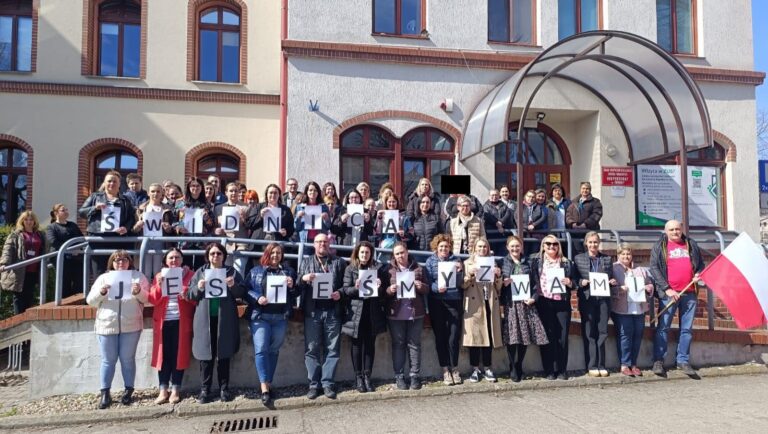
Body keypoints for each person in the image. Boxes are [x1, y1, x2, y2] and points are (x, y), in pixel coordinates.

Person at [85, 250, 149, 409]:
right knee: (108, 360)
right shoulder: (103, 278)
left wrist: (138, 292)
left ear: (130, 261)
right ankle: (105, 392)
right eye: (117, 260)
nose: (121, 263)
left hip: (131, 325)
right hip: (107, 325)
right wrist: (101, 293)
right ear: (111, 263)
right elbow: (90, 301)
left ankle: (128, 390)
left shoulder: (138, 277)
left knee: (128, 359)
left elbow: (147, 298)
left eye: (124, 260)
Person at [186, 242, 246, 403]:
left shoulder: (231, 272)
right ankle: (205, 389)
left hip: (225, 319)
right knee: (205, 356)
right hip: (204, 320)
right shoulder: (200, 272)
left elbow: (242, 292)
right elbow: (190, 295)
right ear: (208, 256)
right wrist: (198, 287)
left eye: (218, 253)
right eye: (212, 253)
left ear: (223, 256)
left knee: (223, 354)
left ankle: (223, 388)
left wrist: (233, 286)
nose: (215, 256)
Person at [243, 243, 299, 406]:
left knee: (273, 350)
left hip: (280, 317)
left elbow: (296, 293)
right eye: (273, 252)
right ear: (267, 253)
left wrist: (292, 285)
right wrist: (257, 297)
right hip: (261, 316)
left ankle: (268, 382)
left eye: (279, 253)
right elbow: (245, 290)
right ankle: (264, 388)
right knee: (261, 349)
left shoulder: (288, 272)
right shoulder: (255, 271)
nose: (275, 255)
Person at [649, 219, 704, 377]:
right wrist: (667, 289)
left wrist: (698, 273)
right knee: (663, 327)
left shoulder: (691, 244)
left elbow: (700, 264)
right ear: (666, 231)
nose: (675, 232)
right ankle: (659, 360)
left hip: (689, 292)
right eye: (671, 230)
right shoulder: (660, 246)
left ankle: (683, 360)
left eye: (677, 229)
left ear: (682, 229)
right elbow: (654, 268)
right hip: (669, 294)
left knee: (686, 329)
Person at [298, 233, 346, 399]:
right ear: (314, 245)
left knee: (332, 349)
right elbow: (296, 286)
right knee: (311, 349)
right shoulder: (306, 262)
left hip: (333, 311)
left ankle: (327, 383)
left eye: (325, 242)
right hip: (313, 311)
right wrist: (303, 278)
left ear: (329, 243)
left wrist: (339, 293)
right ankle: (314, 384)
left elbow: (346, 285)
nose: (322, 244)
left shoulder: (339, 262)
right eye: (319, 242)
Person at [147, 248, 196, 404]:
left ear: (182, 260)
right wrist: (160, 285)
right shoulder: (159, 276)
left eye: (177, 257)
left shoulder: (191, 275)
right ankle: (163, 389)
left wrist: (186, 293)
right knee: (164, 357)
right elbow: (153, 300)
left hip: (181, 322)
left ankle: (175, 389)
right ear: (165, 261)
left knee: (178, 356)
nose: (174, 260)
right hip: (163, 322)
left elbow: (196, 299)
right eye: (171, 258)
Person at [500, 235, 548, 382]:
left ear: (521, 247)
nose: (515, 249)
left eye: (517, 246)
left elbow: (535, 282)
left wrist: (534, 297)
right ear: (507, 248)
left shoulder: (529, 262)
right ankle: (512, 366)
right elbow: (497, 282)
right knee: (512, 337)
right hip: (511, 304)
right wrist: (503, 282)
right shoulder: (502, 262)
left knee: (524, 337)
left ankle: (519, 364)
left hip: (526, 304)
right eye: (512, 246)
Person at [382, 242, 429, 390]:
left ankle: (415, 375)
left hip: (416, 313)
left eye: (402, 252)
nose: (400, 256)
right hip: (395, 314)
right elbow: (382, 293)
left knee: (415, 344)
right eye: (397, 254)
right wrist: (389, 290)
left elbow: (427, 289)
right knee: (398, 345)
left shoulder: (419, 268)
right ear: (393, 256)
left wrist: (422, 287)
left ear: (407, 252)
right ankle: (399, 376)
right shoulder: (388, 270)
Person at [341, 241, 386, 393]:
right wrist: (356, 287)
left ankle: (367, 376)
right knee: (356, 345)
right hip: (355, 313)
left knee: (370, 345)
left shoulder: (378, 269)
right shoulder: (350, 269)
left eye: (367, 252)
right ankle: (358, 377)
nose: (364, 255)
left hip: (372, 312)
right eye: (362, 252)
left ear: (371, 254)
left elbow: (384, 295)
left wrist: (380, 287)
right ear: (357, 253)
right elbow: (346, 291)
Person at [531, 235, 575, 380]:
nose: (551, 247)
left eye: (555, 244)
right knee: (548, 336)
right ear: (543, 246)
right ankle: (549, 369)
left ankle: (562, 369)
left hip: (562, 302)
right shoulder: (536, 261)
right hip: (544, 302)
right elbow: (531, 280)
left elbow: (574, 283)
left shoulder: (566, 262)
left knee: (562, 337)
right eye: (548, 244)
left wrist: (570, 282)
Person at [574, 232, 616, 377]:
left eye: (595, 242)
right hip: (587, 299)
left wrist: (612, 282)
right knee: (589, 332)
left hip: (603, 299)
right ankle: (591, 364)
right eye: (590, 242)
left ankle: (601, 364)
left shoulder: (607, 259)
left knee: (602, 331)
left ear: (599, 243)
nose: (593, 245)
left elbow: (611, 277)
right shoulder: (578, 259)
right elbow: (575, 279)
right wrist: (581, 282)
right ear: (586, 243)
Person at [78, 170, 136, 276]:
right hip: (98, 240)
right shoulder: (95, 197)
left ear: (119, 184)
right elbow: (81, 212)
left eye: (115, 181)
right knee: (100, 273)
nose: (111, 184)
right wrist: (95, 208)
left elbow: (131, 218)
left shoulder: (125, 200)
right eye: (109, 181)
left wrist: (126, 228)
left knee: (119, 272)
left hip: (119, 240)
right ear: (104, 183)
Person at [424, 234, 464, 385]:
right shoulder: (430, 261)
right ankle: (445, 369)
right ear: (436, 247)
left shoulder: (456, 261)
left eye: (446, 246)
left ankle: (454, 367)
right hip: (437, 302)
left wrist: (460, 271)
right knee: (440, 336)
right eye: (441, 246)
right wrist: (436, 288)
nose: (444, 249)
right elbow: (428, 282)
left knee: (454, 336)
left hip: (454, 301)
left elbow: (461, 283)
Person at [462, 238, 503, 383]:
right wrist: (470, 275)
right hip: (474, 304)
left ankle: (487, 367)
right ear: (474, 248)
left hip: (489, 301)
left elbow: (499, 288)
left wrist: (498, 276)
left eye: (485, 246)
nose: (482, 249)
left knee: (489, 336)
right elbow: (463, 285)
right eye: (479, 246)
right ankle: (475, 369)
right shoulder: (467, 263)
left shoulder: (493, 262)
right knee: (475, 337)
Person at [611, 243, 654, 377]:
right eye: (623, 254)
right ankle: (624, 364)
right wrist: (619, 289)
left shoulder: (640, 269)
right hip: (622, 309)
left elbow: (649, 283)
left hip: (638, 308)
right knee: (625, 336)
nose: (626, 256)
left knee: (637, 336)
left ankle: (633, 364)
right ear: (618, 255)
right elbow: (609, 288)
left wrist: (648, 288)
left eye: (628, 254)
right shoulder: (613, 269)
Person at [0, 211, 47, 314]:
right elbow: (8, 249)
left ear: (34, 221)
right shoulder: (16, 234)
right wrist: (4, 263)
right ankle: (18, 319)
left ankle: (26, 321)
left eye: (31, 219)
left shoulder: (40, 234)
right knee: (18, 297)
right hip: (20, 270)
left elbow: (44, 250)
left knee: (29, 296)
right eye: (26, 219)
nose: (29, 222)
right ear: (22, 221)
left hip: (34, 270)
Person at [133, 183, 175, 278]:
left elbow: (173, 230)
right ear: (148, 193)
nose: (155, 194)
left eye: (158, 191)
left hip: (161, 243)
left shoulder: (168, 209)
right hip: (145, 242)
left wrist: (168, 228)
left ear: (162, 194)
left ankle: (156, 292)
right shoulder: (140, 209)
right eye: (152, 191)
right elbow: (133, 230)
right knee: (145, 273)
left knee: (158, 272)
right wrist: (137, 226)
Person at [175, 177, 216, 270]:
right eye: (193, 186)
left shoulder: (207, 203)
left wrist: (206, 217)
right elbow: (174, 220)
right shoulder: (180, 202)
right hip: (185, 240)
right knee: (184, 268)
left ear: (202, 188)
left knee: (201, 269)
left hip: (201, 242)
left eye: (198, 186)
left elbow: (211, 224)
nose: (195, 188)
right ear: (188, 187)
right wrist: (178, 227)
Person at [46, 204, 84, 298]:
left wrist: (79, 249)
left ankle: (78, 304)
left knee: (79, 282)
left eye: (66, 209)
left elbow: (81, 238)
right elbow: (53, 241)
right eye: (63, 210)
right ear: (56, 213)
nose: (66, 211)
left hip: (77, 258)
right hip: (62, 259)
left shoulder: (73, 225)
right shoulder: (52, 227)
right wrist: (69, 250)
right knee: (64, 283)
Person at [214, 182, 250, 277]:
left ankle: (239, 290)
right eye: (231, 191)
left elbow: (250, 227)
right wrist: (216, 230)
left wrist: (244, 219)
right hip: (226, 244)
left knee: (239, 269)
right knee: (226, 271)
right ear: (226, 193)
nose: (233, 193)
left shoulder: (246, 207)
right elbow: (214, 225)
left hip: (241, 244)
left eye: (236, 191)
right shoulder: (218, 208)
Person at [566, 182, 603, 254]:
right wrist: (572, 223)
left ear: (590, 190)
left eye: (587, 189)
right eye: (583, 188)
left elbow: (597, 214)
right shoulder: (574, 201)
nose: (585, 190)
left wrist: (585, 224)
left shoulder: (596, 202)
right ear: (580, 189)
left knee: (589, 251)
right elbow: (568, 214)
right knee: (577, 252)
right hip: (575, 232)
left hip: (589, 231)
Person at [375, 194, 413, 259]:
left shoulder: (404, 217)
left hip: (399, 249)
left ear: (397, 203)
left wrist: (404, 234)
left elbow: (411, 234)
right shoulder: (381, 216)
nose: (391, 204)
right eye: (389, 202)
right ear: (386, 203)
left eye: (394, 201)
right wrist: (379, 219)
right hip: (385, 248)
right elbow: (376, 234)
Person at [294, 181, 332, 247]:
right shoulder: (300, 207)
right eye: (310, 190)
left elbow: (328, 226)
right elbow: (296, 227)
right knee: (305, 257)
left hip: (319, 240)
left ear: (318, 193)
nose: (312, 192)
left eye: (315, 190)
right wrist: (298, 217)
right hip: (304, 239)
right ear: (307, 192)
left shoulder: (323, 207)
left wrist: (326, 219)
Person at [483, 188, 513, 255]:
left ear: (499, 196)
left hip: (502, 234)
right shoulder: (485, 206)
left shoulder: (503, 205)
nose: (494, 197)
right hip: (491, 234)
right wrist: (497, 223)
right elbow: (487, 216)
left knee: (503, 253)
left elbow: (507, 214)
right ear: (489, 196)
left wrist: (501, 222)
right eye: (492, 195)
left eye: (496, 195)